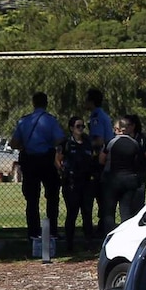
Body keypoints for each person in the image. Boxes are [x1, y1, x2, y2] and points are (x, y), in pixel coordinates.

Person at [10, 91, 66, 240]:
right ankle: (52, 230)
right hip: (47, 160)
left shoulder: (23, 121)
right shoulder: (51, 120)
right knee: (52, 196)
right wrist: (48, 144)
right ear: (46, 103)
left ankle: (33, 232)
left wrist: (25, 145)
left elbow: (13, 142)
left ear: (33, 103)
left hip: (30, 161)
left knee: (32, 198)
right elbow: (60, 138)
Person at [56, 116, 96, 252]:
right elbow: (57, 160)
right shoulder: (66, 144)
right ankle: (69, 244)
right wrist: (64, 172)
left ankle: (89, 242)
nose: (81, 129)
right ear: (71, 128)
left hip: (86, 182)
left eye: (82, 126)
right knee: (72, 213)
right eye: (78, 126)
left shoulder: (88, 142)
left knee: (87, 213)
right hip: (71, 183)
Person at [99, 118, 144, 234]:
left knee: (109, 211)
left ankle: (109, 235)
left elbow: (101, 160)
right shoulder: (135, 143)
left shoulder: (111, 142)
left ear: (118, 130)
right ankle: (126, 235)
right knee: (126, 211)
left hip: (112, 180)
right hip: (129, 180)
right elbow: (138, 162)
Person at [86, 88, 114, 235]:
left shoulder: (96, 116)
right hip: (105, 158)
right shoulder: (102, 114)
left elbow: (99, 139)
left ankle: (103, 225)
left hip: (99, 159)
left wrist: (85, 144)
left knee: (99, 192)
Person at [125, 114, 146, 216]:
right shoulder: (122, 139)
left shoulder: (142, 140)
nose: (124, 128)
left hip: (139, 176)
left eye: (127, 125)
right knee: (126, 206)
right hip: (125, 176)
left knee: (138, 205)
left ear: (133, 126)